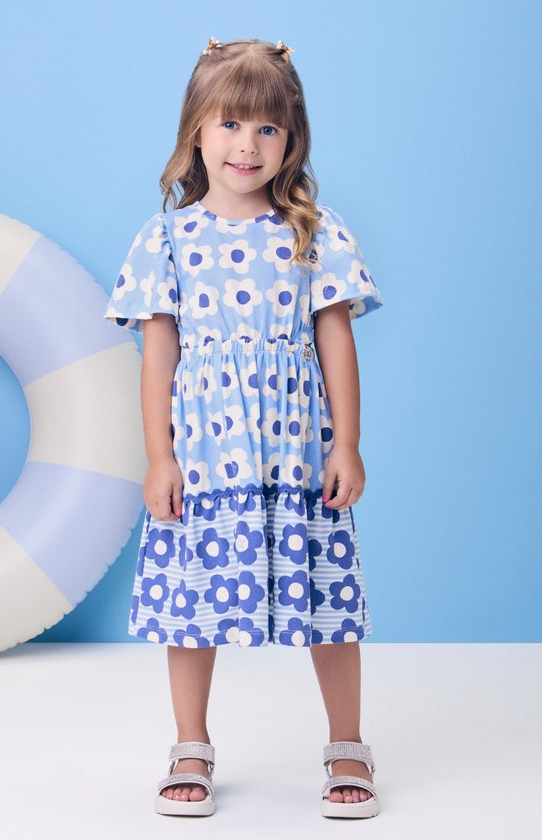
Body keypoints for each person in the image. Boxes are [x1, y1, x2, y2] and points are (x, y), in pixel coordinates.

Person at [103, 36, 385, 819]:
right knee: (191, 604)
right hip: (205, 455)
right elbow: (159, 355)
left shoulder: (314, 230)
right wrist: (158, 457)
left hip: (296, 457)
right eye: (230, 124)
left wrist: (347, 443)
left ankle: (348, 743)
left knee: (327, 598)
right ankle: (190, 742)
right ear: (196, 131)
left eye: (268, 128)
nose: (247, 145)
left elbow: (336, 341)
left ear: (292, 139)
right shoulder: (167, 237)